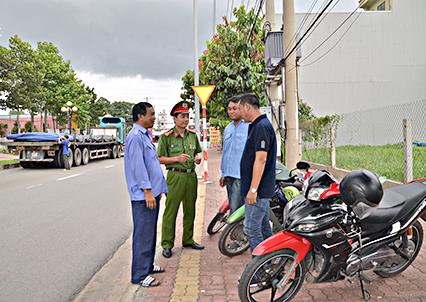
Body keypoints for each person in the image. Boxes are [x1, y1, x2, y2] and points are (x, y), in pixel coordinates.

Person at [124, 102, 168, 287]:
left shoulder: (144, 135)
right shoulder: (135, 136)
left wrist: (157, 190)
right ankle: (139, 276)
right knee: (143, 235)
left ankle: (147, 266)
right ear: (140, 116)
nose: (154, 117)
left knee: (150, 233)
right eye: (151, 114)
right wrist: (148, 191)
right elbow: (138, 167)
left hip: (152, 194)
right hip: (144, 197)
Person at [157, 101, 203, 258]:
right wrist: (177, 158)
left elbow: (197, 153)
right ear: (174, 119)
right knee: (171, 211)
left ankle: (188, 239)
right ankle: (167, 244)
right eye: (182, 116)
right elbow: (160, 158)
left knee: (190, 210)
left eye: (187, 116)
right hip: (175, 176)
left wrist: (197, 160)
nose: (186, 119)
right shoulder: (167, 137)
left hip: (191, 175)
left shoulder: (192, 136)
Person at [238, 93, 277, 254]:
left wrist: (253, 189)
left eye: (240, 108)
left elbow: (261, 160)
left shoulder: (261, 127)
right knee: (264, 229)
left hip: (258, 191)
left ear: (247, 106)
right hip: (257, 190)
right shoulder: (256, 125)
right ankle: (272, 264)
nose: (239, 113)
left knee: (251, 229)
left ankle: (259, 271)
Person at [219, 96, 249, 214]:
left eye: (234, 108)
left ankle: (235, 232)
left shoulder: (249, 126)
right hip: (229, 175)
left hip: (240, 176)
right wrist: (223, 173)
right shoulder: (228, 128)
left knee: (236, 210)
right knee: (232, 205)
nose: (231, 111)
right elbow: (226, 153)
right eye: (229, 109)